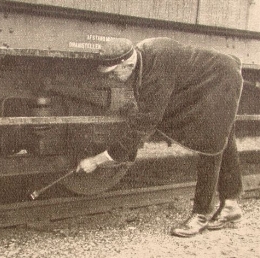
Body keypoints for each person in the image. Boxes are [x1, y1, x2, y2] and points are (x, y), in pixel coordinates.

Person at [76, 37, 244, 237]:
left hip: (220, 78)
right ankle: (231, 206)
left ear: (126, 64)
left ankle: (201, 214)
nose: (111, 78)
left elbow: (145, 124)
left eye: (113, 73)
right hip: (204, 79)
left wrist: (97, 160)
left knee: (211, 142)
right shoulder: (142, 57)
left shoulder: (156, 71)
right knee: (224, 136)